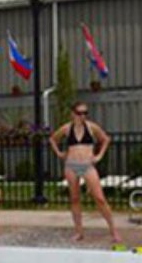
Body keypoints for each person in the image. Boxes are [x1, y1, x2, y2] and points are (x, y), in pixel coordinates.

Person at [49, 102, 121, 244]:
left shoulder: (91, 127)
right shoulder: (67, 129)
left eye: (85, 113)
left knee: (100, 198)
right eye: (79, 113)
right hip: (71, 166)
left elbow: (105, 139)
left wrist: (99, 155)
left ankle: (114, 231)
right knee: (75, 199)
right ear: (73, 114)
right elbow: (52, 139)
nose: (83, 116)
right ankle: (79, 232)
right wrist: (59, 153)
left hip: (87, 166)